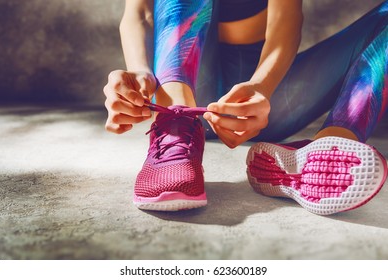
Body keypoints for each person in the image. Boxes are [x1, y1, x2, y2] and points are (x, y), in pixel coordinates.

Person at [103, 0, 388, 214]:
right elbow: (138, 14)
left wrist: (261, 89)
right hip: (186, 87)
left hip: (259, 101)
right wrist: (140, 72)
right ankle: (174, 130)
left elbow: (285, 26)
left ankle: (331, 149)